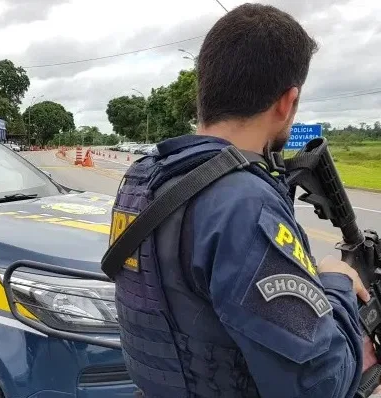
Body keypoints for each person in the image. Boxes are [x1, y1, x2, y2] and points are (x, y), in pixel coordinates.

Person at [105, 3, 380, 397]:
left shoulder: (145, 176)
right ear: (287, 102)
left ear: (206, 88)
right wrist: (335, 282)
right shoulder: (242, 203)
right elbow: (319, 384)